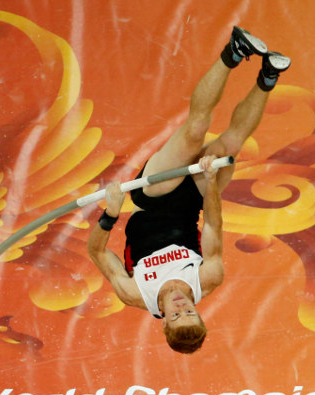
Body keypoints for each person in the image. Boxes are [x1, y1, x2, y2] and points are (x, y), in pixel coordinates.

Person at [87, 26, 290, 353]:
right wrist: (210, 182)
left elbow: (97, 252)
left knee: (195, 131)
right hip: (194, 201)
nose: (182, 305)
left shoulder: (135, 294)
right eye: (190, 311)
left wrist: (110, 215)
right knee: (231, 144)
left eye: (177, 314)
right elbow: (212, 224)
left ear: (164, 320)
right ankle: (268, 76)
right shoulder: (208, 279)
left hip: (152, 198)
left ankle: (233, 52)